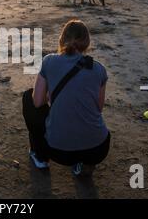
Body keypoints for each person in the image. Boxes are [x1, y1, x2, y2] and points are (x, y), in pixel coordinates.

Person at [22, 20, 110, 176]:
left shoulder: (49, 61)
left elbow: (37, 102)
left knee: (29, 98)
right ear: (87, 43)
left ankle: (40, 156)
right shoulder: (98, 68)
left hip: (59, 151)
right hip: (98, 148)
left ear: (62, 39)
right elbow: (98, 108)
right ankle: (85, 162)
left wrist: (52, 95)